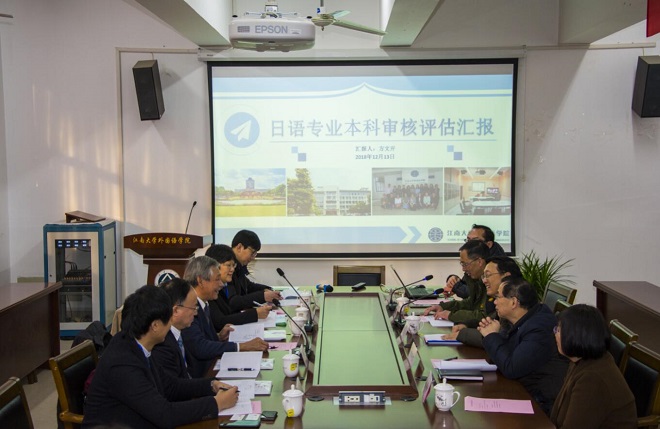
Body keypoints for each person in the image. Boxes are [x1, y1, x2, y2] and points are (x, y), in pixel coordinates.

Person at [82, 285, 239, 429]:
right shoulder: (123, 364)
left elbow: (169, 385)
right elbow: (164, 414)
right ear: (155, 326)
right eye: (168, 319)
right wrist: (216, 404)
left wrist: (210, 385)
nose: (171, 324)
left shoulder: (136, 343)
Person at [478, 277, 568, 415]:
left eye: (498, 297)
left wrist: (491, 336)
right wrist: (492, 334)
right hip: (525, 391)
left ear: (514, 302)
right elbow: (507, 354)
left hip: (540, 404)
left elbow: (511, 368)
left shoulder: (539, 328)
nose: (494, 302)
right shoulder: (525, 318)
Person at [550, 304, 636, 429]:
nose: (555, 334)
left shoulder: (593, 378)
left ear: (576, 336)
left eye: (559, 330)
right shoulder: (581, 359)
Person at [181, 255, 268, 378]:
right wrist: (242, 346)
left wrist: (218, 336)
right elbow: (200, 347)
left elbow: (201, 338)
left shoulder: (204, 303)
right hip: (200, 377)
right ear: (200, 281)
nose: (221, 284)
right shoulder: (188, 309)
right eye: (217, 279)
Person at [152, 278, 234, 396]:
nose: (196, 313)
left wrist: (211, 384)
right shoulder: (162, 344)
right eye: (193, 308)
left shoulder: (178, 333)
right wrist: (214, 400)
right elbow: (174, 389)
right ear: (176, 310)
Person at [444, 256, 522, 347]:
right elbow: (488, 321)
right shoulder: (501, 301)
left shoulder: (519, 304)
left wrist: (462, 334)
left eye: (488, 275)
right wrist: (466, 325)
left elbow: (502, 337)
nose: (484, 280)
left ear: (506, 276)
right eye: (483, 276)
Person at [206, 244, 273, 332]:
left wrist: (266, 290)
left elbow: (230, 312)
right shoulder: (208, 292)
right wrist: (254, 314)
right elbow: (220, 322)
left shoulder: (222, 286)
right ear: (213, 267)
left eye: (233, 265)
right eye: (228, 265)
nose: (232, 269)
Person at [422, 240, 490, 322]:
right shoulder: (476, 279)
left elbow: (484, 316)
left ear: (479, 262)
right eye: (462, 264)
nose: (463, 269)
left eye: (465, 264)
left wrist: (451, 315)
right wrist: (443, 307)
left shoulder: (492, 281)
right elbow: (469, 303)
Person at [227, 230, 282, 312]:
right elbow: (233, 302)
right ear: (239, 247)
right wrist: (262, 296)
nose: (253, 258)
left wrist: (266, 289)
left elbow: (248, 286)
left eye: (255, 254)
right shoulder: (227, 269)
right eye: (252, 253)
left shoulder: (238, 266)